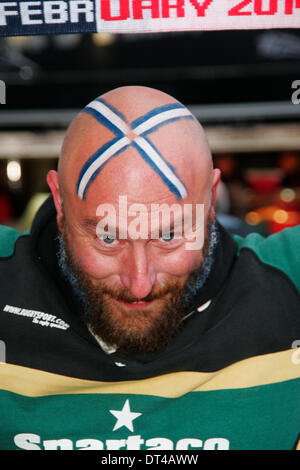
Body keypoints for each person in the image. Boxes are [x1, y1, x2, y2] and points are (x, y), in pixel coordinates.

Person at [0, 86, 299, 451]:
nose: (139, 283)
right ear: (60, 203)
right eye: (108, 239)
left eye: (169, 235)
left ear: (209, 200)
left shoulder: (287, 280)